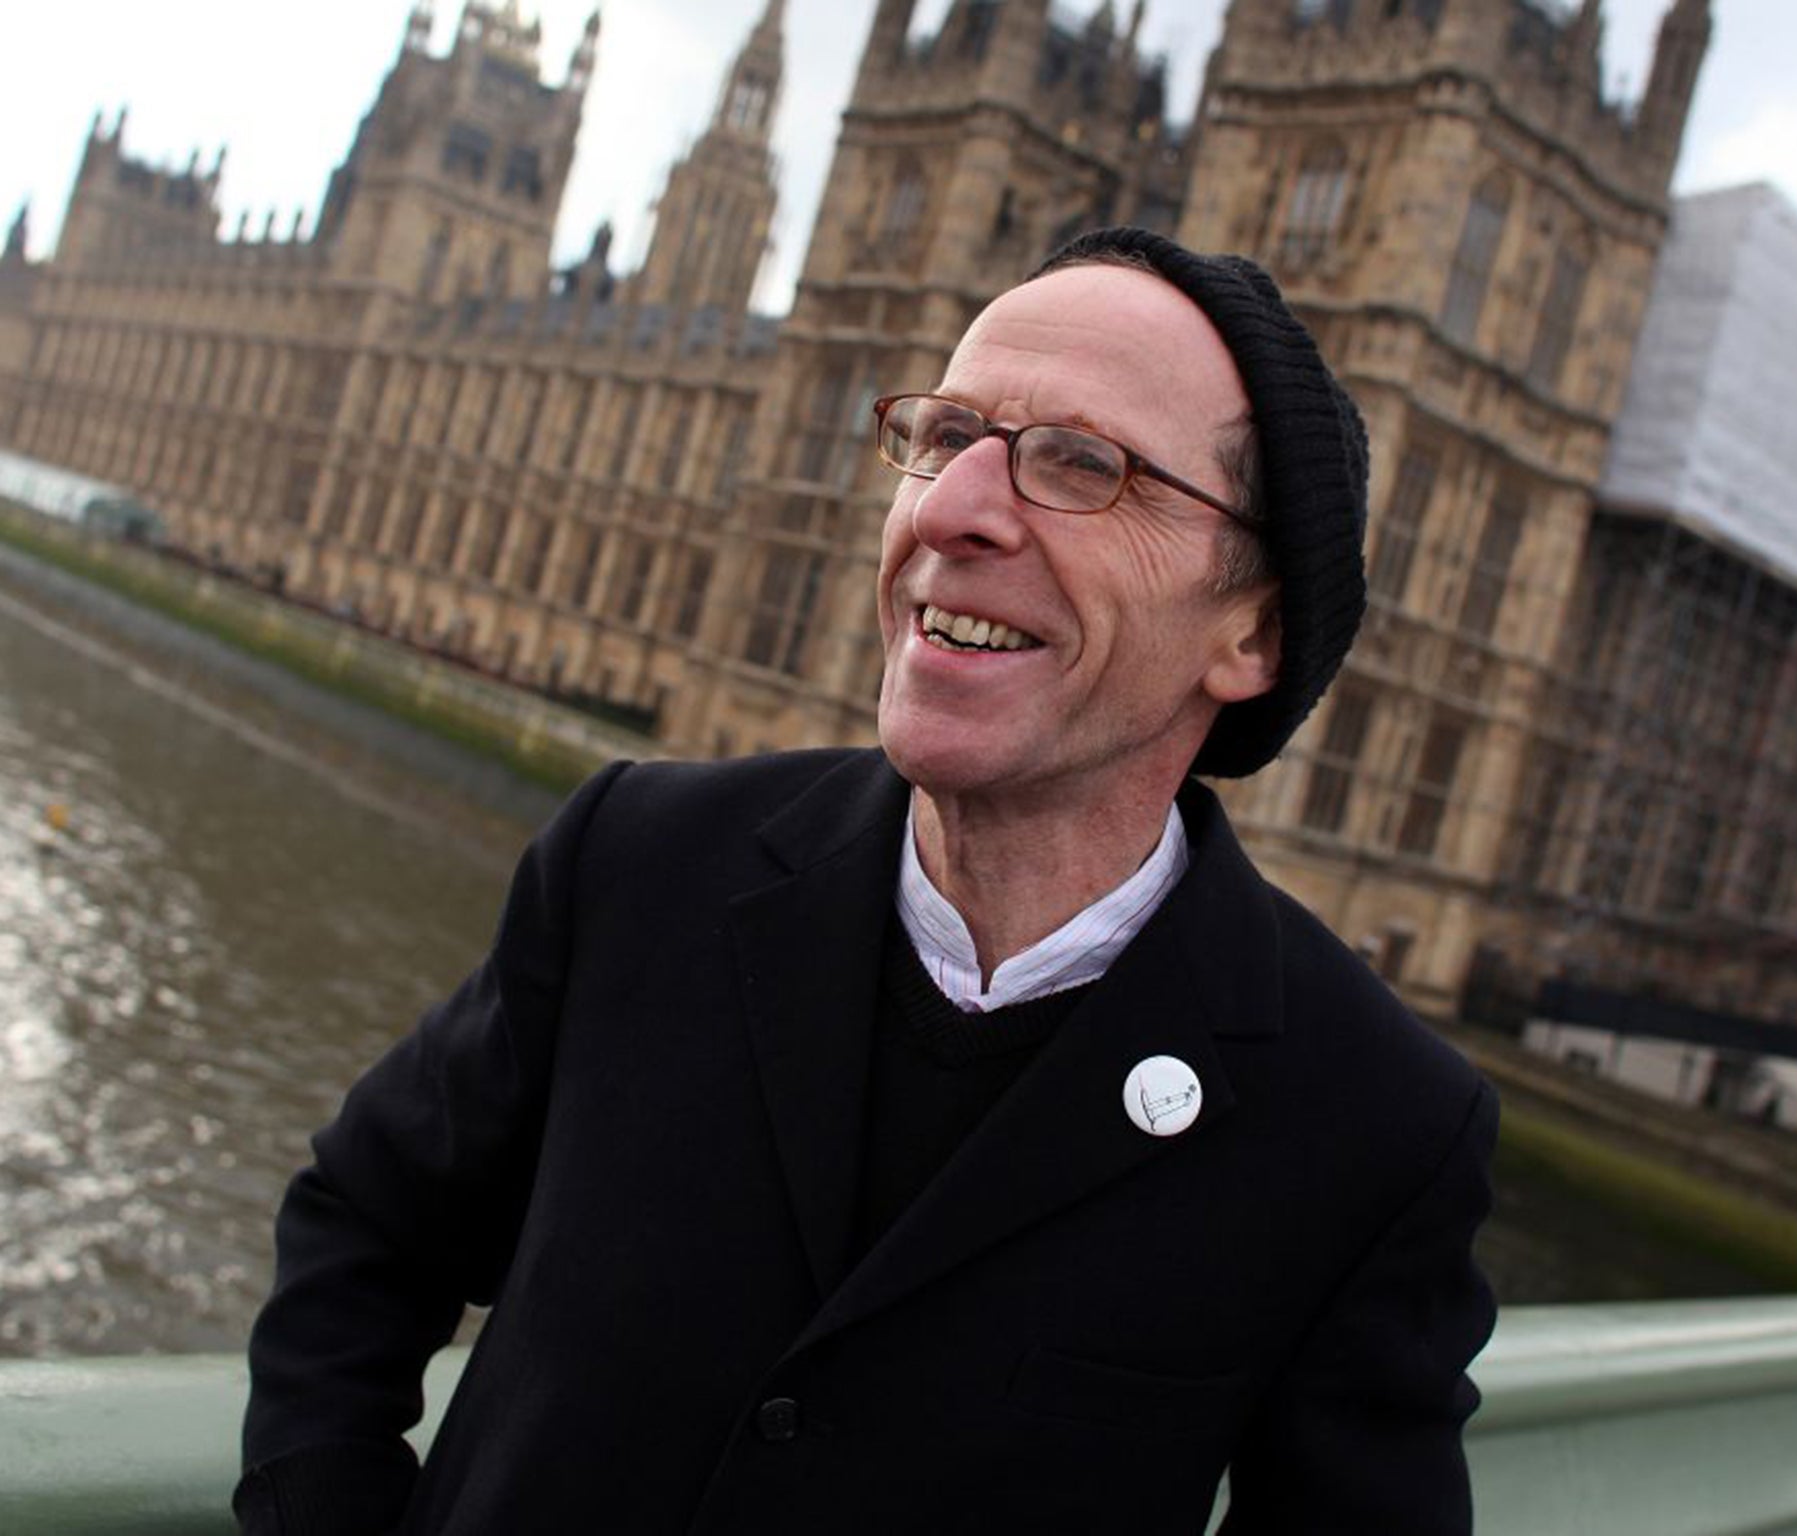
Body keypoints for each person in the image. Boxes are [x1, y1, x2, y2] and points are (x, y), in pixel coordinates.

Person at [235, 226, 1497, 1536]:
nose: (951, 506)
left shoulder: (1375, 1125)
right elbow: (361, 1234)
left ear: (1251, 632)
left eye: (1084, 464)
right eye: (946, 435)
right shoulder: (638, 859)